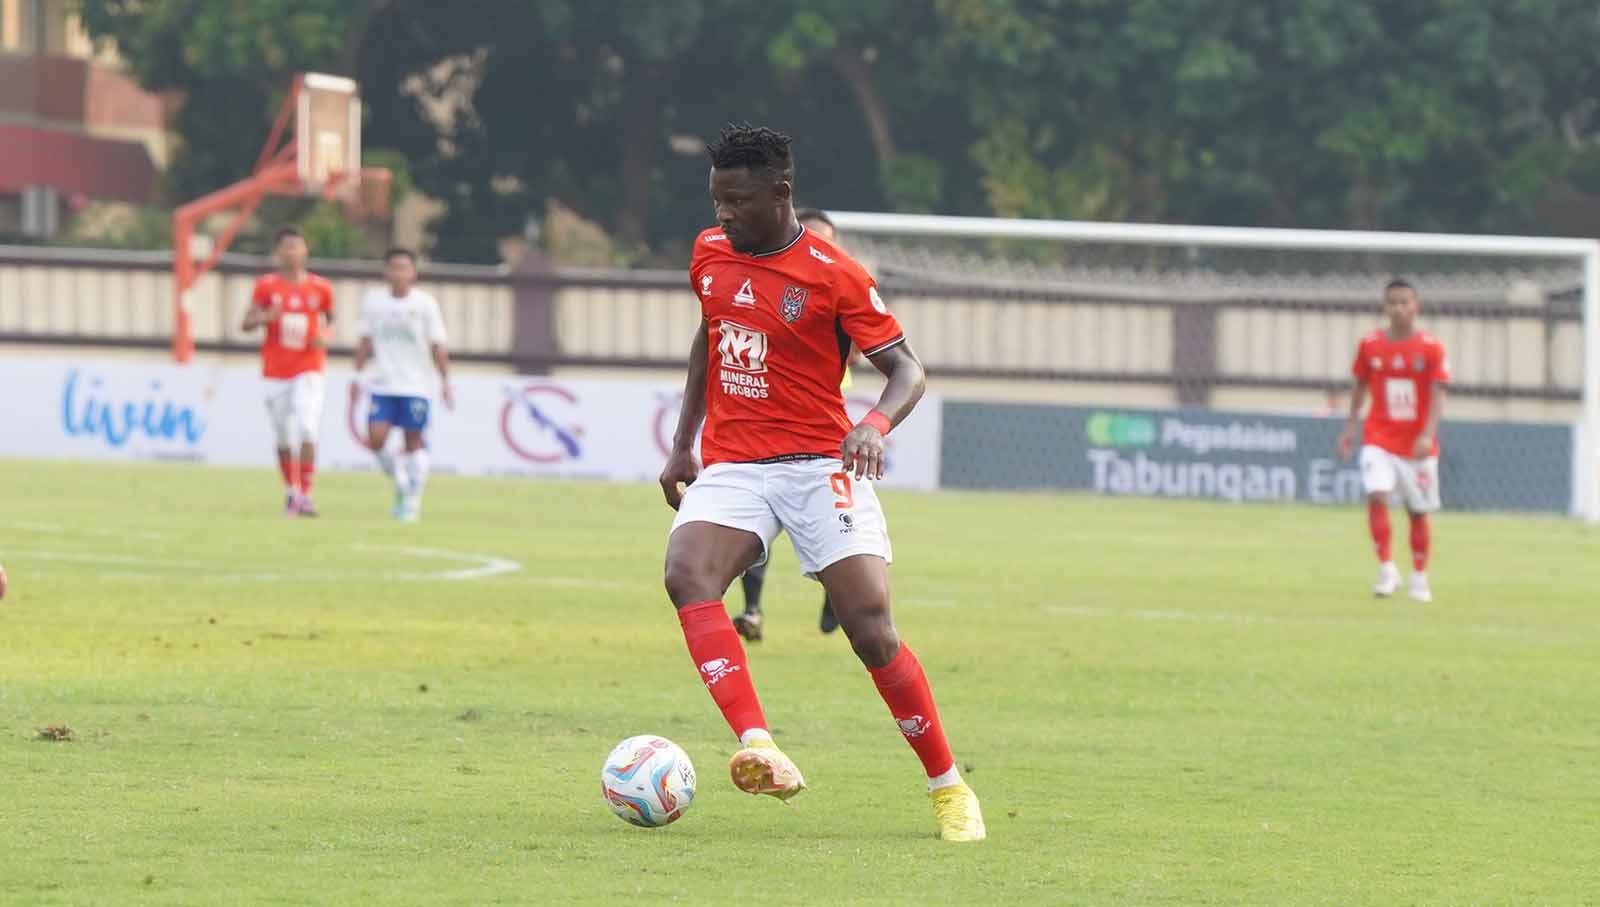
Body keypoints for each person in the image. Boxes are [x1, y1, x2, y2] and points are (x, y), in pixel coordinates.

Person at [659, 123, 984, 841]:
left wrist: (873, 423)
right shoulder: (709, 254)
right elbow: (708, 339)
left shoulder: (834, 274)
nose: (723, 215)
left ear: (781, 195)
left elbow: (908, 369)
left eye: (737, 200)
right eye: (716, 199)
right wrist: (683, 444)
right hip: (735, 462)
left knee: (869, 626)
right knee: (686, 573)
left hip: (817, 464)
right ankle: (758, 742)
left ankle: (948, 785)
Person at [732, 206, 847, 641]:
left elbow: (871, 348)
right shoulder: (766, 279)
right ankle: (753, 610)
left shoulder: (840, 285)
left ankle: (838, 588)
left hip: (821, 429)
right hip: (763, 424)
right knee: (752, 522)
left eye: (827, 240)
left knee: (832, 523)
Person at [1337, 279, 1450, 603]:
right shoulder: (1370, 345)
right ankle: (1387, 569)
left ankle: (1418, 576)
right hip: (1379, 437)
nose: (1399, 308)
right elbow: (1360, 386)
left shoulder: (1431, 348)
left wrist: (1427, 434)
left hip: (1416, 444)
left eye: (1405, 302)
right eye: (1392, 303)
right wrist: (1349, 427)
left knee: (1417, 511)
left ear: (1416, 306)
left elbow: (1438, 393)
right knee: (1376, 494)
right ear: (1384, 307)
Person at [349, 248, 453, 521]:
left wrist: (445, 381)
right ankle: (402, 484)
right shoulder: (373, 302)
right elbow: (365, 341)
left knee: (413, 441)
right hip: (383, 384)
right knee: (375, 440)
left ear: (413, 272)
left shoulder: (425, 304)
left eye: (404, 268)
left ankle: (413, 499)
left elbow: (437, 345)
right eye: (393, 267)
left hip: (416, 385)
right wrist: (355, 377)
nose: (398, 273)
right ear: (386, 271)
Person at [242, 226, 336, 517]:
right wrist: (265, 317)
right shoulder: (266, 286)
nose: (292, 253)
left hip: (309, 367)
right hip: (275, 371)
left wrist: (325, 335)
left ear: (305, 250)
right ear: (278, 252)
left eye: (297, 246)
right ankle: (291, 491)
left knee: (308, 426)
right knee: (283, 435)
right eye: (286, 247)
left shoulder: (320, 288)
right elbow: (245, 323)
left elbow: (330, 320)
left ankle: (306, 494)